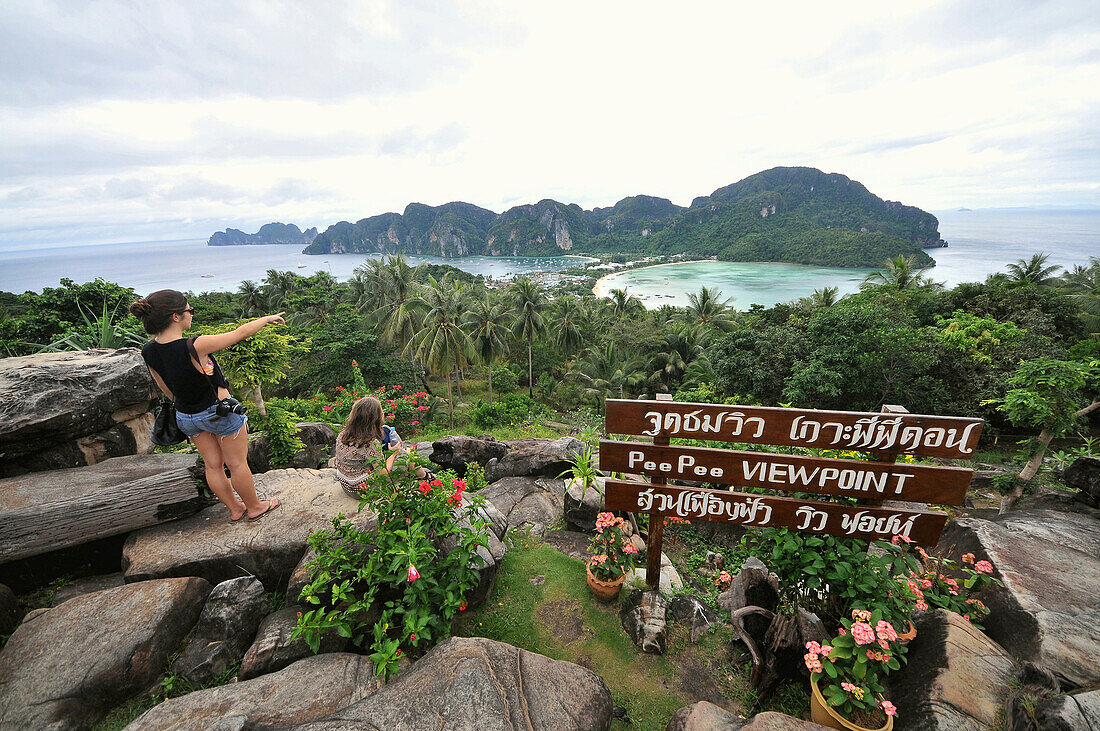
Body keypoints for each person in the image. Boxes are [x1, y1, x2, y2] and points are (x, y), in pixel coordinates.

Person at [130, 289, 284, 522]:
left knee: (213, 466)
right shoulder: (194, 346)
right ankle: (254, 507)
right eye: (189, 310)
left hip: (186, 416)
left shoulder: (148, 350)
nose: (192, 314)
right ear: (175, 316)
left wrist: (187, 402)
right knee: (237, 463)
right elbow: (239, 333)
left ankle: (235, 509)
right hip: (217, 412)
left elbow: (164, 387)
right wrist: (266, 319)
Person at [334, 395, 432, 497]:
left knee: (402, 454)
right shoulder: (369, 443)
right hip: (364, 491)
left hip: (346, 487)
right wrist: (393, 454)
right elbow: (382, 473)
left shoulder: (343, 434)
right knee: (407, 454)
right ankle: (425, 477)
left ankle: (421, 475)